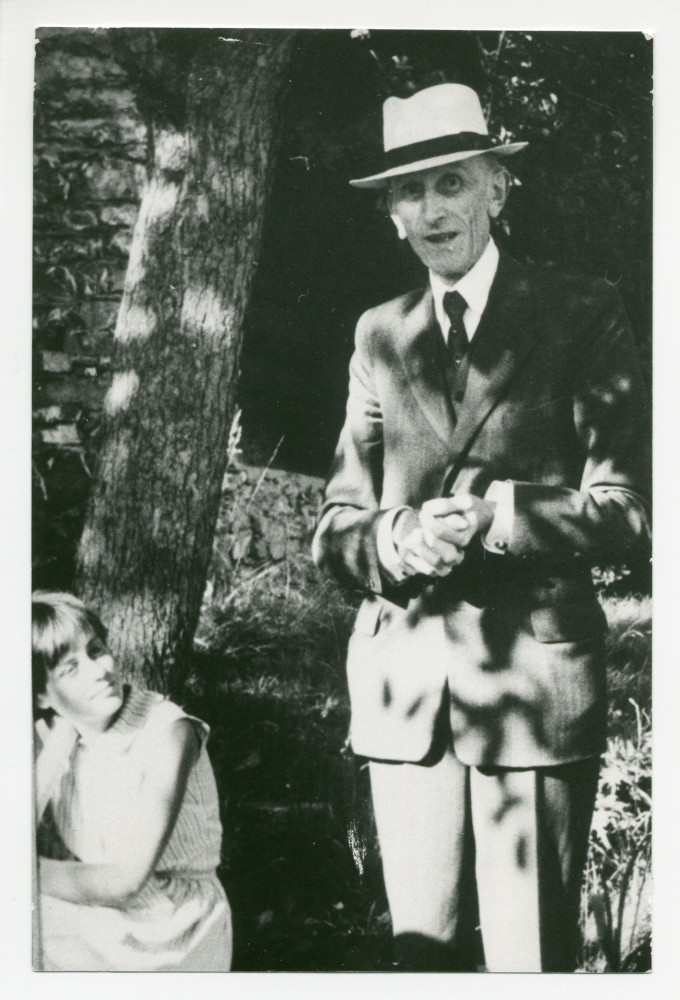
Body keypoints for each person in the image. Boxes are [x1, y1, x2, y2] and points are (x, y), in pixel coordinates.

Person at [313, 83, 650, 972]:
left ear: (499, 189)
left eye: (452, 183)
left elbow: (629, 512)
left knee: (525, 960)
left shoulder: (582, 311)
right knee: (420, 956)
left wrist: (501, 517)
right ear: (390, 214)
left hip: (533, 688)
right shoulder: (379, 333)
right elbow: (336, 521)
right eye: (408, 192)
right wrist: (394, 540)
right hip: (406, 691)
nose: (431, 210)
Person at [32, 591, 232, 971]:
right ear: (41, 693)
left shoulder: (167, 731)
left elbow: (127, 879)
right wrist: (59, 741)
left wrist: (24, 872)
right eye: (70, 668)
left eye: (96, 650)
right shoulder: (60, 736)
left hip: (175, 924)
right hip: (107, 914)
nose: (98, 671)